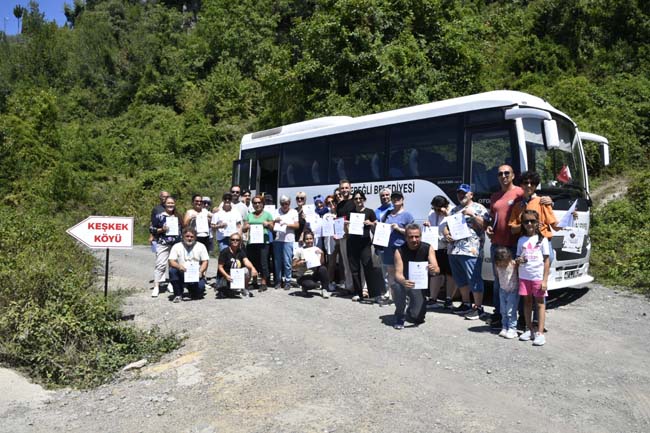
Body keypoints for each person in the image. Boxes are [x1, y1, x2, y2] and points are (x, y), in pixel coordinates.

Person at [485, 165, 552, 328]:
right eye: (500, 174)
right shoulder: (495, 196)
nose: (503, 176)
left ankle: (524, 318)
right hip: (498, 245)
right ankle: (500, 315)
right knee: (499, 282)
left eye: (507, 173)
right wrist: (488, 227)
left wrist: (549, 200)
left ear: (513, 175)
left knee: (522, 281)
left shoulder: (520, 192)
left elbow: (535, 198)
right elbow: (492, 217)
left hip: (517, 245)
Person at [444, 184, 489, 320]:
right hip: (454, 249)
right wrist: (446, 234)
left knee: (474, 278)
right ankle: (466, 304)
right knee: (460, 279)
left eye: (464, 193)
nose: (461, 195)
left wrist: (472, 215)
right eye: (459, 193)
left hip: (471, 250)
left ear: (471, 195)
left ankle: (478, 308)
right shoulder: (454, 210)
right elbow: (446, 226)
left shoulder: (479, 208)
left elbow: (485, 225)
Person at [393, 224, 440, 329]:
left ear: (420, 236)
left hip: (420, 285)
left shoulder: (428, 248)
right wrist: (404, 281)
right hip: (405, 282)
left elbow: (437, 269)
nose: (414, 239)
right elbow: (398, 274)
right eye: (411, 237)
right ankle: (400, 315)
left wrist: (433, 269)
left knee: (418, 318)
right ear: (406, 237)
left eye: (417, 236)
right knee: (397, 286)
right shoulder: (399, 251)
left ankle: (411, 310)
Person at [515, 210, 550, 346]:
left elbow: (546, 260)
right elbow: (518, 257)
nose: (529, 224)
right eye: (526, 221)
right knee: (527, 302)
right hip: (524, 276)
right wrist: (519, 260)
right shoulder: (521, 240)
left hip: (537, 277)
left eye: (532, 221)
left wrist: (544, 280)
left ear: (537, 223)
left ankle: (540, 333)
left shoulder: (542, 240)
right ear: (522, 224)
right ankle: (529, 329)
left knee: (540, 304)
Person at [346, 190, 384, 302]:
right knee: (354, 269)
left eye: (360, 198)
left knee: (368, 267)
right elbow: (346, 231)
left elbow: (377, 228)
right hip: (352, 243)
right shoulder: (350, 213)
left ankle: (375, 294)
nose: (358, 200)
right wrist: (346, 226)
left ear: (364, 199)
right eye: (356, 199)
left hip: (365, 244)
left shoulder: (370, 212)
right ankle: (358, 293)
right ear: (353, 200)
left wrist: (371, 223)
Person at [423, 195, 456, 309]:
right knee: (435, 272)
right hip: (436, 246)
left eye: (438, 209)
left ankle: (449, 299)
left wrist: (447, 215)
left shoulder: (452, 211)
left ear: (445, 206)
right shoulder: (432, 213)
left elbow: (457, 226)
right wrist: (427, 224)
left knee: (450, 274)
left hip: (449, 247)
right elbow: (431, 225)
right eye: (434, 208)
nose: (436, 211)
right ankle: (433, 298)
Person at [383, 191, 415, 300]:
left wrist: (398, 228)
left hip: (401, 248)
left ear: (402, 199)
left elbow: (411, 233)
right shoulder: (387, 214)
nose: (396, 200)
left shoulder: (407, 215)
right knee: (390, 272)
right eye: (394, 198)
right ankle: (393, 296)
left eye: (398, 198)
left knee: (402, 272)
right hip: (388, 247)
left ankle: (406, 296)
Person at [149, 196, 182, 297]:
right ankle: (156, 286)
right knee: (160, 264)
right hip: (163, 243)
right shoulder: (159, 216)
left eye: (172, 203)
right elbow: (152, 229)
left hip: (176, 244)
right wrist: (161, 230)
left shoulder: (178, 216)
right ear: (165, 204)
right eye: (168, 203)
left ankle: (172, 284)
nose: (170, 205)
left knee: (173, 265)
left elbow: (183, 228)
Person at [168, 227, 209, 302]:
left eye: (192, 237)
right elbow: (171, 261)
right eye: (187, 236)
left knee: (198, 293)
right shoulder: (176, 246)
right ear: (183, 237)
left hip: (196, 273)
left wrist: (200, 271)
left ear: (195, 237)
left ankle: (192, 291)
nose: (189, 238)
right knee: (172, 271)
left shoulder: (201, 246)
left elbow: (205, 261)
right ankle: (178, 294)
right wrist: (179, 266)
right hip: (182, 272)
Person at [243, 194, 274, 291]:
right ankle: (255, 281)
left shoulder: (267, 215)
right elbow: (243, 229)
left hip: (264, 242)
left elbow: (273, 228)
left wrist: (268, 224)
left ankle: (264, 283)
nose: (257, 205)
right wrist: (246, 227)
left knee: (263, 262)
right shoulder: (249, 215)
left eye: (259, 202)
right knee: (253, 261)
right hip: (252, 242)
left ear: (263, 204)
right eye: (255, 203)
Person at [217, 233, 258, 298]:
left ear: (240, 241)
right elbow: (220, 267)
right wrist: (226, 276)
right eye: (233, 239)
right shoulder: (224, 252)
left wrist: (253, 268)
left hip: (236, 275)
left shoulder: (241, 251)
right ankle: (225, 288)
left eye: (237, 240)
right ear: (230, 241)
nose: (235, 241)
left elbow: (246, 261)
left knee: (247, 270)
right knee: (225, 292)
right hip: (225, 276)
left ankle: (244, 289)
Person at [292, 231, 330, 298]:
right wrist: (299, 263)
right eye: (307, 239)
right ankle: (304, 288)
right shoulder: (300, 250)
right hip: (303, 276)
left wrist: (322, 254)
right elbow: (293, 266)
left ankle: (324, 290)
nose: (309, 241)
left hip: (313, 274)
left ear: (313, 239)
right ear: (304, 240)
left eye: (310, 238)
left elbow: (321, 263)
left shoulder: (316, 249)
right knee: (311, 285)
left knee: (323, 269)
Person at [272, 195, 300, 289]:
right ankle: (278, 281)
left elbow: (297, 226)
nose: (284, 205)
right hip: (277, 239)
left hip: (289, 239)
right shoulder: (276, 211)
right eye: (282, 204)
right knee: (277, 262)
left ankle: (288, 281)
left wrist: (287, 224)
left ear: (289, 203)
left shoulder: (294, 212)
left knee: (287, 261)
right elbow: (271, 225)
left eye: (286, 204)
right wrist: (274, 221)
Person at [493, 246, 519, 339]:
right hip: (502, 290)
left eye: (503, 262)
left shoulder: (513, 264)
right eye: (499, 262)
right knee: (503, 310)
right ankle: (505, 326)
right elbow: (498, 276)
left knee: (510, 311)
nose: (502, 264)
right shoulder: (497, 266)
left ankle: (512, 328)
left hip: (513, 290)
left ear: (508, 259)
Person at [335, 179, 355, 290]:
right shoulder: (340, 205)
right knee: (346, 262)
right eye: (342, 188)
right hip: (343, 236)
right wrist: (337, 234)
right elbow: (338, 220)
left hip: (353, 235)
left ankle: (361, 288)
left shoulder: (355, 201)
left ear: (350, 188)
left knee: (355, 262)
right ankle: (349, 286)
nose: (344, 190)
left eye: (346, 188)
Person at [374, 188, 394, 298]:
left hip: (393, 242)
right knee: (385, 269)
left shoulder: (394, 208)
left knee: (395, 268)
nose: (385, 197)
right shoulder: (377, 211)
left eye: (387, 195)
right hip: (381, 242)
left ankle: (396, 291)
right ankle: (388, 290)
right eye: (382, 195)